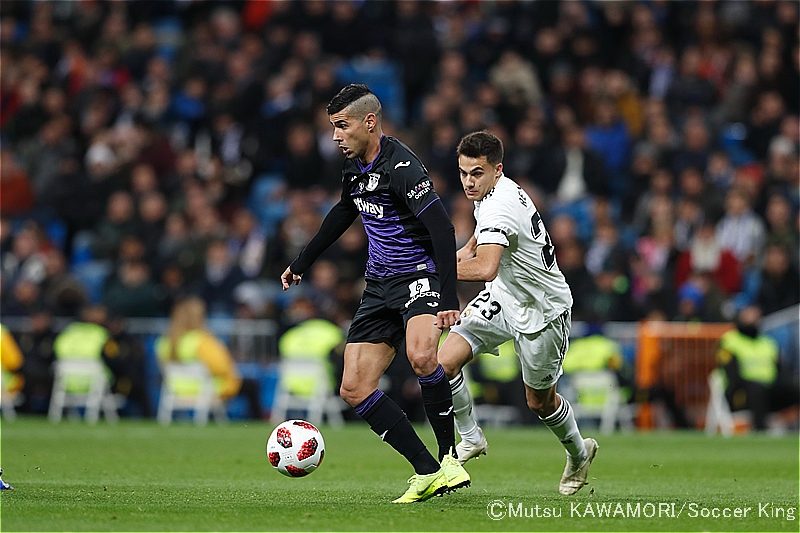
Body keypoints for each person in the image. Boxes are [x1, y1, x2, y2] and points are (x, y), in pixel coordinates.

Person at [280, 84, 468, 503]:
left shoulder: (402, 165)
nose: (335, 137)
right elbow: (344, 211)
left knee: (423, 357)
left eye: (341, 126)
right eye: (332, 127)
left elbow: (442, 228)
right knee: (353, 387)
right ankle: (428, 470)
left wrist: (449, 297)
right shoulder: (353, 167)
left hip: (418, 275)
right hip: (379, 284)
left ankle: (451, 456)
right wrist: (302, 263)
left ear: (369, 122)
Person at [437, 131, 598, 496]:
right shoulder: (493, 193)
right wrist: (448, 257)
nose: (468, 182)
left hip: (541, 310)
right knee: (442, 363)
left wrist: (431, 269)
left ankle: (578, 452)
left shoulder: (500, 205)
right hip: (504, 297)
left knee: (539, 402)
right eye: (463, 173)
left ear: (498, 169)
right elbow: (477, 246)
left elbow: (485, 269)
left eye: (476, 173)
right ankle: (471, 437)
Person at [156, 297, 263, 419]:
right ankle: (258, 419)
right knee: (250, 385)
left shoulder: (165, 342)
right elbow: (221, 367)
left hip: (176, 388)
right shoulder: (201, 341)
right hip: (205, 387)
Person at [716, 305, 799, 431]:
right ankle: (760, 431)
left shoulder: (768, 343)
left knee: (795, 387)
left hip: (768, 391)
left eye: (755, 315)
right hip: (740, 394)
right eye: (748, 314)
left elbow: (782, 372)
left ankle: (795, 430)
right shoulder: (730, 341)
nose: (752, 319)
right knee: (757, 389)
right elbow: (733, 375)